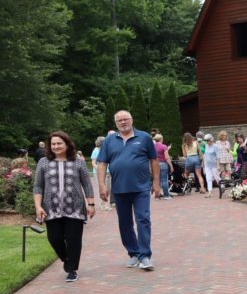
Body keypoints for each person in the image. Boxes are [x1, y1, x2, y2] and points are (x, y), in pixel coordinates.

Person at [96, 110, 160, 271]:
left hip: (141, 187)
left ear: (131, 120)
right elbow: (102, 164)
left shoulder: (144, 137)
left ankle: (145, 255)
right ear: (116, 123)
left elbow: (154, 160)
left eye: (125, 119)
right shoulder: (109, 141)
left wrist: (156, 182)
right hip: (119, 188)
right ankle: (134, 253)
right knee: (124, 223)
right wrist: (102, 185)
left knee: (143, 219)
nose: (123, 122)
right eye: (119, 120)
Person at [32, 131, 96, 282]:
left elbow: (87, 184)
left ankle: (72, 269)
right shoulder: (43, 162)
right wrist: (38, 207)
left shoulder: (78, 161)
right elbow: (38, 187)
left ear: (67, 144)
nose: (56, 146)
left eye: (59, 143)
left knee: (74, 240)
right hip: (51, 208)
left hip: (75, 207)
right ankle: (66, 258)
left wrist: (91, 204)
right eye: (53, 144)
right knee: (54, 238)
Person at [153, 134, 174, 200]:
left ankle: (157, 195)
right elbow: (167, 157)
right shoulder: (163, 146)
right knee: (164, 180)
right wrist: (171, 166)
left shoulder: (152, 146)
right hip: (163, 164)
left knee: (156, 180)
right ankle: (166, 195)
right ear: (161, 139)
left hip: (155, 164)